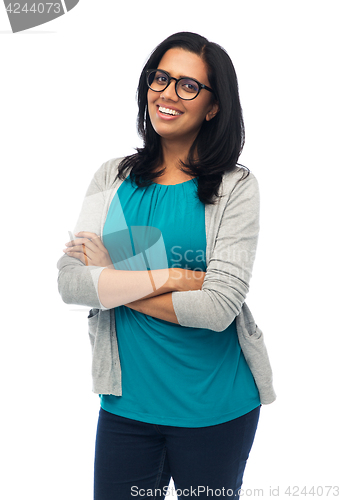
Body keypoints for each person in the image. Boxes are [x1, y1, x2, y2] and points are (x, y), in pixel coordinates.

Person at [57, 31, 276, 499]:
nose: (167, 94)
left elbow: (217, 309)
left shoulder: (236, 188)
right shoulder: (112, 177)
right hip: (125, 407)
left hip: (215, 408)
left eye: (188, 85)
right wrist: (175, 278)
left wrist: (111, 280)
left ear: (213, 106)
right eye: (161, 78)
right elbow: (73, 284)